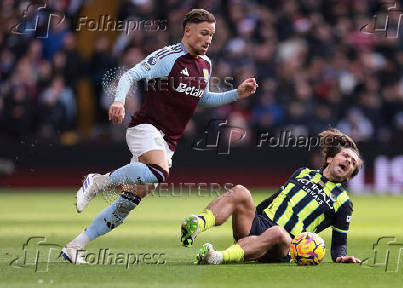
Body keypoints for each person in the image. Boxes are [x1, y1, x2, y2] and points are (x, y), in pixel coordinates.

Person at [61, 9, 258, 264]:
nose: (209, 40)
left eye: (212, 35)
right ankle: (98, 182)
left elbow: (204, 99)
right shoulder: (168, 57)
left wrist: (237, 94)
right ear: (188, 30)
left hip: (168, 142)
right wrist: (119, 101)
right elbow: (131, 74)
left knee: (128, 202)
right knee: (158, 171)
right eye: (204, 33)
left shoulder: (206, 64)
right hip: (145, 127)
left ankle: (75, 246)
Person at [181, 128, 362, 265]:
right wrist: (250, 217)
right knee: (240, 191)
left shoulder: (343, 202)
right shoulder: (302, 173)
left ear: (349, 175)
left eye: (352, 163)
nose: (348, 161)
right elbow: (275, 199)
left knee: (277, 233)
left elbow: (339, 240)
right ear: (330, 159)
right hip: (260, 223)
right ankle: (197, 224)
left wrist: (340, 256)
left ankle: (217, 257)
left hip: (285, 243)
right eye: (345, 156)